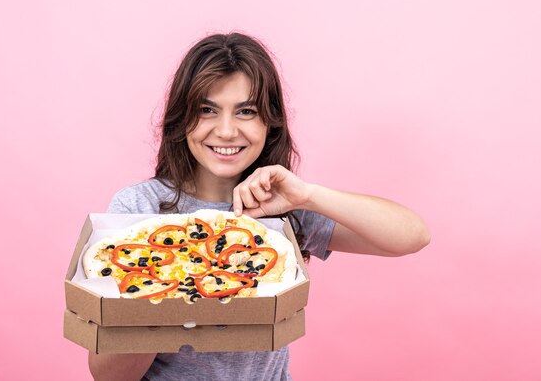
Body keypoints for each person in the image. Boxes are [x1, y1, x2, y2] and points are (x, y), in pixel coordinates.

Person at [88, 32, 430, 381]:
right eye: (207, 110)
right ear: (182, 118)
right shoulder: (138, 210)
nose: (225, 131)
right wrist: (169, 287)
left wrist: (307, 195)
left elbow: (412, 236)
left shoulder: (281, 206)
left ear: (270, 121)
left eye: (246, 111)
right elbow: (108, 375)